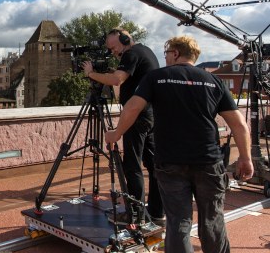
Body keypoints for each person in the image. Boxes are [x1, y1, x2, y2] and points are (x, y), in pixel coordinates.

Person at [105, 36, 253, 253]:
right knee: (212, 221)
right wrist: (245, 158)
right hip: (208, 161)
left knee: (178, 222)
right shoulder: (213, 81)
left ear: (175, 53)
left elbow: (133, 107)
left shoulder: (156, 77)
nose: (165, 57)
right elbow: (239, 124)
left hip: (170, 162)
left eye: (166, 53)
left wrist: (116, 133)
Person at [82, 28, 164, 223]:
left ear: (126, 39)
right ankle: (156, 211)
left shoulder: (131, 53)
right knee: (153, 164)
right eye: (110, 49)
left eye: (114, 47)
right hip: (150, 114)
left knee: (132, 165)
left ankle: (134, 214)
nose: (113, 52)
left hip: (137, 116)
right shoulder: (145, 51)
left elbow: (117, 80)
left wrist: (91, 73)